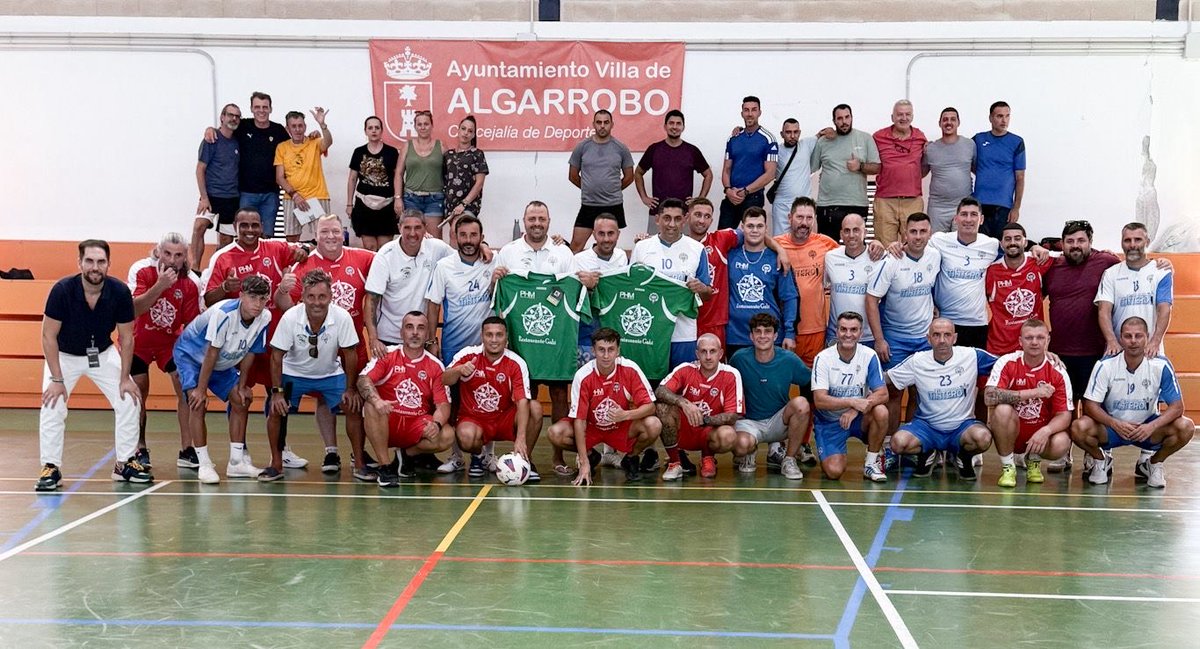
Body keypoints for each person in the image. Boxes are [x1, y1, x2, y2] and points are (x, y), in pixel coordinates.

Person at [204, 208, 316, 470]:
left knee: (278, 392)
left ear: (262, 226)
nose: (250, 230)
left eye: (255, 225)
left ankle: (281, 449)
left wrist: (303, 249)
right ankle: (239, 451)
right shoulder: (223, 257)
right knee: (239, 393)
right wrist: (225, 288)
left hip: (274, 337)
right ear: (235, 226)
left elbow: (307, 247)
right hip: (239, 341)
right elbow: (208, 300)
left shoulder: (275, 248)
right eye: (244, 225)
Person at [35, 240, 151, 491]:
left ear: (108, 264)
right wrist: (57, 380)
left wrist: (125, 378)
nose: (95, 267)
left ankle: (124, 463)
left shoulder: (119, 292)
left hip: (102, 353)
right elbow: (48, 336)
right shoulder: (62, 290)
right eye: (89, 261)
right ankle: (50, 467)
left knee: (130, 398)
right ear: (80, 263)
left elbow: (127, 337)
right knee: (52, 403)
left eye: (101, 261)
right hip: (64, 355)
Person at [261, 270, 361, 481]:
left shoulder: (342, 317)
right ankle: (276, 464)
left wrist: (351, 389)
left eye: (322, 296)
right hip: (293, 374)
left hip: (330, 374)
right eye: (311, 297)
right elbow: (276, 356)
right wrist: (277, 393)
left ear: (331, 297)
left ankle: (360, 465)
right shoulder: (291, 317)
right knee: (275, 409)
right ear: (303, 297)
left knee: (353, 406)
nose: (317, 302)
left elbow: (350, 354)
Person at [173, 275, 273, 484]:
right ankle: (204, 464)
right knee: (197, 403)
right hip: (192, 356)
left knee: (241, 399)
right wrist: (201, 390)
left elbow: (251, 352)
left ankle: (236, 463)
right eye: (253, 297)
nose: (258, 303)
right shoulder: (224, 313)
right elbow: (211, 352)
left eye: (263, 298)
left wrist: (243, 385)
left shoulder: (265, 317)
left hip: (221, 360)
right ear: (241, 295)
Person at [1071, 317, 1193, 488]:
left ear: (1147, 337)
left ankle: (1154, 463)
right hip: (1112, 429)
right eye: (1128, 336)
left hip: (1147, 429)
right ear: (1120, 338)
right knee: (1078, 427)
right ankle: (1100, 460)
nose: (1133, 341)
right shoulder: (1105, 365)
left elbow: (1177, 407)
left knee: (1186, 427)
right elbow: (1091, 405)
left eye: (1138, 336)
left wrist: (1151, 426)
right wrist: (1114, 423)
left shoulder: (1160, 365)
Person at [425, 215, 500, 474]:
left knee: (488, 400)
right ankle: (456, 457)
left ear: (482, 237)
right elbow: (433, 305)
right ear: (455, 237)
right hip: (453, 347)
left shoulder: (494, 261)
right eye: (463, 235)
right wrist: (431, 340)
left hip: (487, 349)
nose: (468, 240)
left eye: (473, 235)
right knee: (455, 403)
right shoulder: (444, 266)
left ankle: (488, 455)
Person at [493, 201, 576, 433]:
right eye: (532, 219)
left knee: (559, 393)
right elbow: (496, 296)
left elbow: (573, 291)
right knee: (525, 395)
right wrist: (495, 280)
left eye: (541, 219)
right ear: (524, 221)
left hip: (556, 339)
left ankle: (558, 449)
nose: (537, 223)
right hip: (522, 339)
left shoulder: (563, 252)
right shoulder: (508, 252)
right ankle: (523, 450)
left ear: (549, 222)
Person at [546, 327, 661, 485]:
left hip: (620, 426)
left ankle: (631, 458)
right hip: (592, 427)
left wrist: (625, 415)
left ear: (618, 351)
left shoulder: (630, 369)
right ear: (593, 351)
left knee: (654, 425)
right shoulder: (583, 375)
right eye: (601, 350)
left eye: (611, 350)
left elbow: (650, 407)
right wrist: (583, 461)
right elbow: (579, 420)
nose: (606, 356)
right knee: (555, 432)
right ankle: (591, 456)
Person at [886, 318, 997, 480]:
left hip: (962, 427)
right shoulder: (917, 361)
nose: (942, 340)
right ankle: (927, 452)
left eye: (947, 335)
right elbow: (887, 378)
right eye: (936, 335)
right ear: (928, 339)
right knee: (898, 443)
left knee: (983, 438)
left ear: (955, 338)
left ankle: (962, 456)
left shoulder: (972, 356)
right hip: (927, 427)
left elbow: (1005, 365)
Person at [129, 232, 202, 470]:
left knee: (185, 386)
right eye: (167, 253)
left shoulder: (191, 281)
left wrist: (194, 360)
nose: (172, 260)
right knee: (139, 391)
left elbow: (191, 324)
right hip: (138, 340)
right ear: (158, 251)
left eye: (178, 255)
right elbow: (135, 309)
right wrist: (160, 285)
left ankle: (187, 449)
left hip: (169, 343)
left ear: (185, 256)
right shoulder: (141, 270)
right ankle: (139, 448)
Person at [357, 311, 455, 485]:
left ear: (427, 334)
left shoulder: (435, 365)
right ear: (401, 332)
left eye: (421, 328)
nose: (415, 333)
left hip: (415, 424)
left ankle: (405, 454)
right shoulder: (387, 354)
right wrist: (378, 401)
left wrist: (436, 424)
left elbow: (443, 404)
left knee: (447, 435)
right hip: (386, 420)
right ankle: (385, 467)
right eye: (409, 327)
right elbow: (363, 379)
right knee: (371, 405)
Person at [865, 213, 940, 433]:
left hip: (924, 339)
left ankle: (912, 439)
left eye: (923, 231)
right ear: (904, 233)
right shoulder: (891, 261)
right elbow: (871, 299)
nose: (918, 236)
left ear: (930, 233)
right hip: (895, 339)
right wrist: (879, 340)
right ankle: (890, 444)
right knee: (894, 393)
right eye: (913, 231)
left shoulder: (935, 256)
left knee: (919, 392)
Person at [443, 317, 542, 480]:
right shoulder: (468, 354)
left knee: (535, 408)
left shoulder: (516, 362)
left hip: (503, 418)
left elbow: (522, 401)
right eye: (489, 335)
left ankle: (523, 461)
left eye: (499, 335)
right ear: (482, 336)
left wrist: (521, 437)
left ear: (506, 337)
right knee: (466, 436)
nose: (494, 340)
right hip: (473, 418)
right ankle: (478, 457)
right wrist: (459, 370)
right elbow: (444, 379)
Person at [984, 319, 1073, 488]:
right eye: (1029, 337)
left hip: (1039, 434)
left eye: (1040, 337)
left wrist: (1046, 431)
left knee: (1062, 442)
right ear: (1020, 341)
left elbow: (1064, 415)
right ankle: (1008, 467)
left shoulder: (1058, 371)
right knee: (1002, 410)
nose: (1034, 342)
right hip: (1011, 431)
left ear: (1047, 341)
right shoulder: (1007, 362)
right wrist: (1034, 392)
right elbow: (989, 397)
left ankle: (1033, 459)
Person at [630, 198, 713, 369]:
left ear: (685, 220)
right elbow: (632, 290)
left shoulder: (697, 249)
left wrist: (701, 288)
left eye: (677, 219)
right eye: (667, 218)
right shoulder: (642, 248)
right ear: (657, 219)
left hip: (683, 333)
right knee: (649, 382)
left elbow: (707, 294)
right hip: (649, 330)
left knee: (682, 381)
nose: (672, 224)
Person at [727, 313, 812, 480]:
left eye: (767, 331)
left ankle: (789, 459)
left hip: (778, 422)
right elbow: (726, 384)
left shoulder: (789, 359)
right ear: (751, 336)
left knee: (801, 404)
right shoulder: (739, 359)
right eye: (758, 331)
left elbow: (811, 383)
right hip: (749, 422)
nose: (762, 336)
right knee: (741, 446)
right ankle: (749, 452)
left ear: (775, 335)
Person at [811, 312, 889, 482]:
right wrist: (852, 402)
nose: (848, 334)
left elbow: (883, 393)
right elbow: (819, 400)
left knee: (881, 411)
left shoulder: (869, 355)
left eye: (853, 330)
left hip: (859, 417)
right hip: (830, 421)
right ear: (836, 331)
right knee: (834, 472)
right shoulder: (823, 358)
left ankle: (871, 463)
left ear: (861, 333)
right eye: (843, 329)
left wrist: (854, 409)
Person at [364, 210, 454, 355]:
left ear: (425, 228)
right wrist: (373, 339)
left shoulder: (437, 248)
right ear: (399, 228)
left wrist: (483, 246)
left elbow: (461, 258)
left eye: (417, 227)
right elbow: (371, 300)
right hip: (389, 337)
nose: (412, 233)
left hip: (421, 337)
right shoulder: (385, 255)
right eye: (407, 228)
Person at [655, 334, 744, 480]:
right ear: (697, 354)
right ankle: (675, 463)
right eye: (703, 351)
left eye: (712, 351)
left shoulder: (731, 374)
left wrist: (703, 420)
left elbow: (733, 415)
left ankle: (708, 457)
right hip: (683, 428)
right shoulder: (685, 369)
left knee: (728, 435)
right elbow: (660, 391)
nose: (708, 357)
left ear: (721, 353)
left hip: (708, 431)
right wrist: (683, 403)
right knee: (662, 407)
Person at [203, 91, 289, 240]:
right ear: (251, 109)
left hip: (271, 194)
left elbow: (295, 145)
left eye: (265, 107)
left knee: (266, 236)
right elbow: (225, 129)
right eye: (257, 107)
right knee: (244, 236)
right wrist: (210, 129)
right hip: (246, 194)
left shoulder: (278, 130)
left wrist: (313, 136)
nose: (261, 110)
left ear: (270, 109)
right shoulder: (242, 126)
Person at [774, 196, 840, 366]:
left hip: (816, 329)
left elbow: (853, 254)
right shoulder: (776, 245)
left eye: (809, 218)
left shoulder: (825, 243)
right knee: (784, 378)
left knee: (813, 379)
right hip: (784, 330)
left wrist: (876, 243)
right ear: (790, 217)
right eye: (799, 217)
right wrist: (778, 249)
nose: (804, 223)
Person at [725, 207, 797, 359]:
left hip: (770, 336)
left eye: (759, 226)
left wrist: (789, 333)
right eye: (750, 226)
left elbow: (789, 297)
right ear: (742, 227)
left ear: (766, 228)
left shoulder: (777, 259)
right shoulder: (729, 256)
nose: (755, 230)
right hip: (736, 336)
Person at [1096, 222, 1173, 360]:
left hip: (1151, 351)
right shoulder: (1110, 274)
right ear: (1121, 243)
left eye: (1138, 240)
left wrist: (1155, 342)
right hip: (1118, 351)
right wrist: (1112, 341)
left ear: (1147, 242)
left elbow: (1164, 309)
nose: (1132, 245)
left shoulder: (1161, 272)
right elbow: (1103, 311)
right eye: (1127, 240)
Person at [634, 109, 712, 235]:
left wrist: (699, 200)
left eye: (678, 123)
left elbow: (708, 174)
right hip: (658, 212)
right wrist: (644, 197)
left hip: (684, 213)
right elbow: (638, 173)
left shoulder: (692, 151)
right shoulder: (654, 149)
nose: (674, 127)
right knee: (654, 245)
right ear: (665, 126)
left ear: (683, 127)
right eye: (671, 123)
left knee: (683, 246)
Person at [810, 104, 880, 241]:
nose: (844, 122)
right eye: (840, 118)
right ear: (834, 121)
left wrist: (860, 166)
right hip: (828, 205)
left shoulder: (865, 138)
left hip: (857, 204)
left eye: (847, 117)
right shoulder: (823, 141)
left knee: (856, 247)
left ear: (852, 117)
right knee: (827, 248)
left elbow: (877, 168)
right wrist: (817, 136)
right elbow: (811, 167)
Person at [568, 110, 635, 252]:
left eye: (606, 122)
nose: (602, 126)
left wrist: (612, 190)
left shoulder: (621, 148)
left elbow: (629, 177)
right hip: (589, 205)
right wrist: (589, 188)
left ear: (612, 124)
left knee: (607, 246)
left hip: (613, 205)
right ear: (593, 124)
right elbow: (573, 176)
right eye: (599, 122)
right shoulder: (582, 147)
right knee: (575, 246)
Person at [985, 223, 1052, 355]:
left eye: (1017, 238)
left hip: (1032, 347)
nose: (1012, 243)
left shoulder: (1038, 262)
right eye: (1008, 239)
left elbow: (1068, 253)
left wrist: (1038, 247)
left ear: (1025, 242)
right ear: (1001, 244)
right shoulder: (991, 271)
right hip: (999, 347)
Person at [871, 100, 928, 246]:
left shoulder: (920, 137)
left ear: (912, 116)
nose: (904, 118)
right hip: (885, 201)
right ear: (892, 117)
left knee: (913, 246)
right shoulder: (878, 137)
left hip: (913, 201)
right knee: (884, 247)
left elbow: (925, 166)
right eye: (899, 114)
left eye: (907, 114)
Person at [192, 103, 241, 268]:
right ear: (222, 117)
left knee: (226, 239)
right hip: (211, 196)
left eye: (237, 116)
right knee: (199, 227)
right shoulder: (211, 139)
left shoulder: (238, 140)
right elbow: (200, 169)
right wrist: (204, 198)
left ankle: (218, 270)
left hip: (231, 198)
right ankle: (195, 269)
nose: (234, 118)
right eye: (230, 115)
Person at [274, 108, 333, 243]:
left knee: (324, 237)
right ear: (287, 128)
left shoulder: (314, 142)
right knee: (291, 240)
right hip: (292, 198)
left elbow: (328, 142)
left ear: (305, 127)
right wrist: (295, 196)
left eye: (300, 126)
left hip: (317, 196)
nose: (297, 129)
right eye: (293, 126)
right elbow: (279, 177)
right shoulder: (282, 147)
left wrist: (322, 125)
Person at [719, 96, 778, 231]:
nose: (750, 113)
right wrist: (728, 190)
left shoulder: (768, 139)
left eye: (753, 110)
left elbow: (770, 174)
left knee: (752, 237)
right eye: (746, 110)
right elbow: (726, 169)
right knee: (723, 237)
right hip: (731, 197)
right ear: (742, 113)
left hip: (753, 198)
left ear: (759, 112)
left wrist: (746, 191)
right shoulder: (733, 138)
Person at [345, 116, 401, 252]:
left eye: (377, 127)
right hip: (364, 205)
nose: (374, 131)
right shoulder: (359, 152)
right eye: (370, 128)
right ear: (365, 131)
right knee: (369, 248)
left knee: (384, 249)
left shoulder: (392, 152)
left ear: (382, 130)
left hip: (387, 205)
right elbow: (352, 179)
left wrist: (398, 200)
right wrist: (349, 204)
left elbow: (398, 177)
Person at [972, 101, 1026, 238]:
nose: (1004, 120)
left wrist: (1016, 208)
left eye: (1007, 116)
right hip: (980, 204)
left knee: (1000, 245)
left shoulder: (1017, 142)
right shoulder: (979, 139)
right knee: (980, 245)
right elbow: (963, 157)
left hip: (1003, 206)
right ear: (991, 118)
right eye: (999, 116)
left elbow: (1020, 178)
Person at [824, 214, 876, 348]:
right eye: (847, 231)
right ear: (841, 234)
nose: (851, 235)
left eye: (856, 230)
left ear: (865, 232)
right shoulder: (830, 257)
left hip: (868, 335)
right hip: (836, 334)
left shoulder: (878, 257)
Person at [922, 107, 975, 232]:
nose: (949, 122)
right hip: (937, 208)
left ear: (958, 122)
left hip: (963, 206)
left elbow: (977, 169)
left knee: (962, 242)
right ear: (940, 123)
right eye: (945, 120)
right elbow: (921, 173)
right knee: (936, 242)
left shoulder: (970, 145)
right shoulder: (930, 148)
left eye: (953, 119)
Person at [396, 110, 447, 238]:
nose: (423, 127)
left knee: (434, 240)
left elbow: (449, 174)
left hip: (435, 199)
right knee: (413, 238)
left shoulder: (441, 146)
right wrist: (397, 198)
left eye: (426, 124)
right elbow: (398, 174)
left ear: (432, 125)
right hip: (411, 199)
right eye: (419, 124)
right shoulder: (407, 146)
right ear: (415, 126)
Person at [442, 115, 489, 239]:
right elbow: (445, 180)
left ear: (473, 135)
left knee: (457, 232)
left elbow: (479, 183)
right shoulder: (448, 155)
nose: (466, 133)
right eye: (463, 129)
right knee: (456, 237)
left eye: (470, 131)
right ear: (458, 130)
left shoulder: (477, 154)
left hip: (468, 205)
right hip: (450, 206)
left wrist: (464, 203)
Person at [768, 118, 817, 237]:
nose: (792, 136)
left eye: (795, 132)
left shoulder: (807, 144)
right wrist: (740, 130)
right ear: (782, 134)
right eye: (788, 132)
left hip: (803, 206)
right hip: (782, 206)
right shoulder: (776, 151)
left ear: (799, 133)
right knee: (780, 242)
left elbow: (824, 133)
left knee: (805, 241)